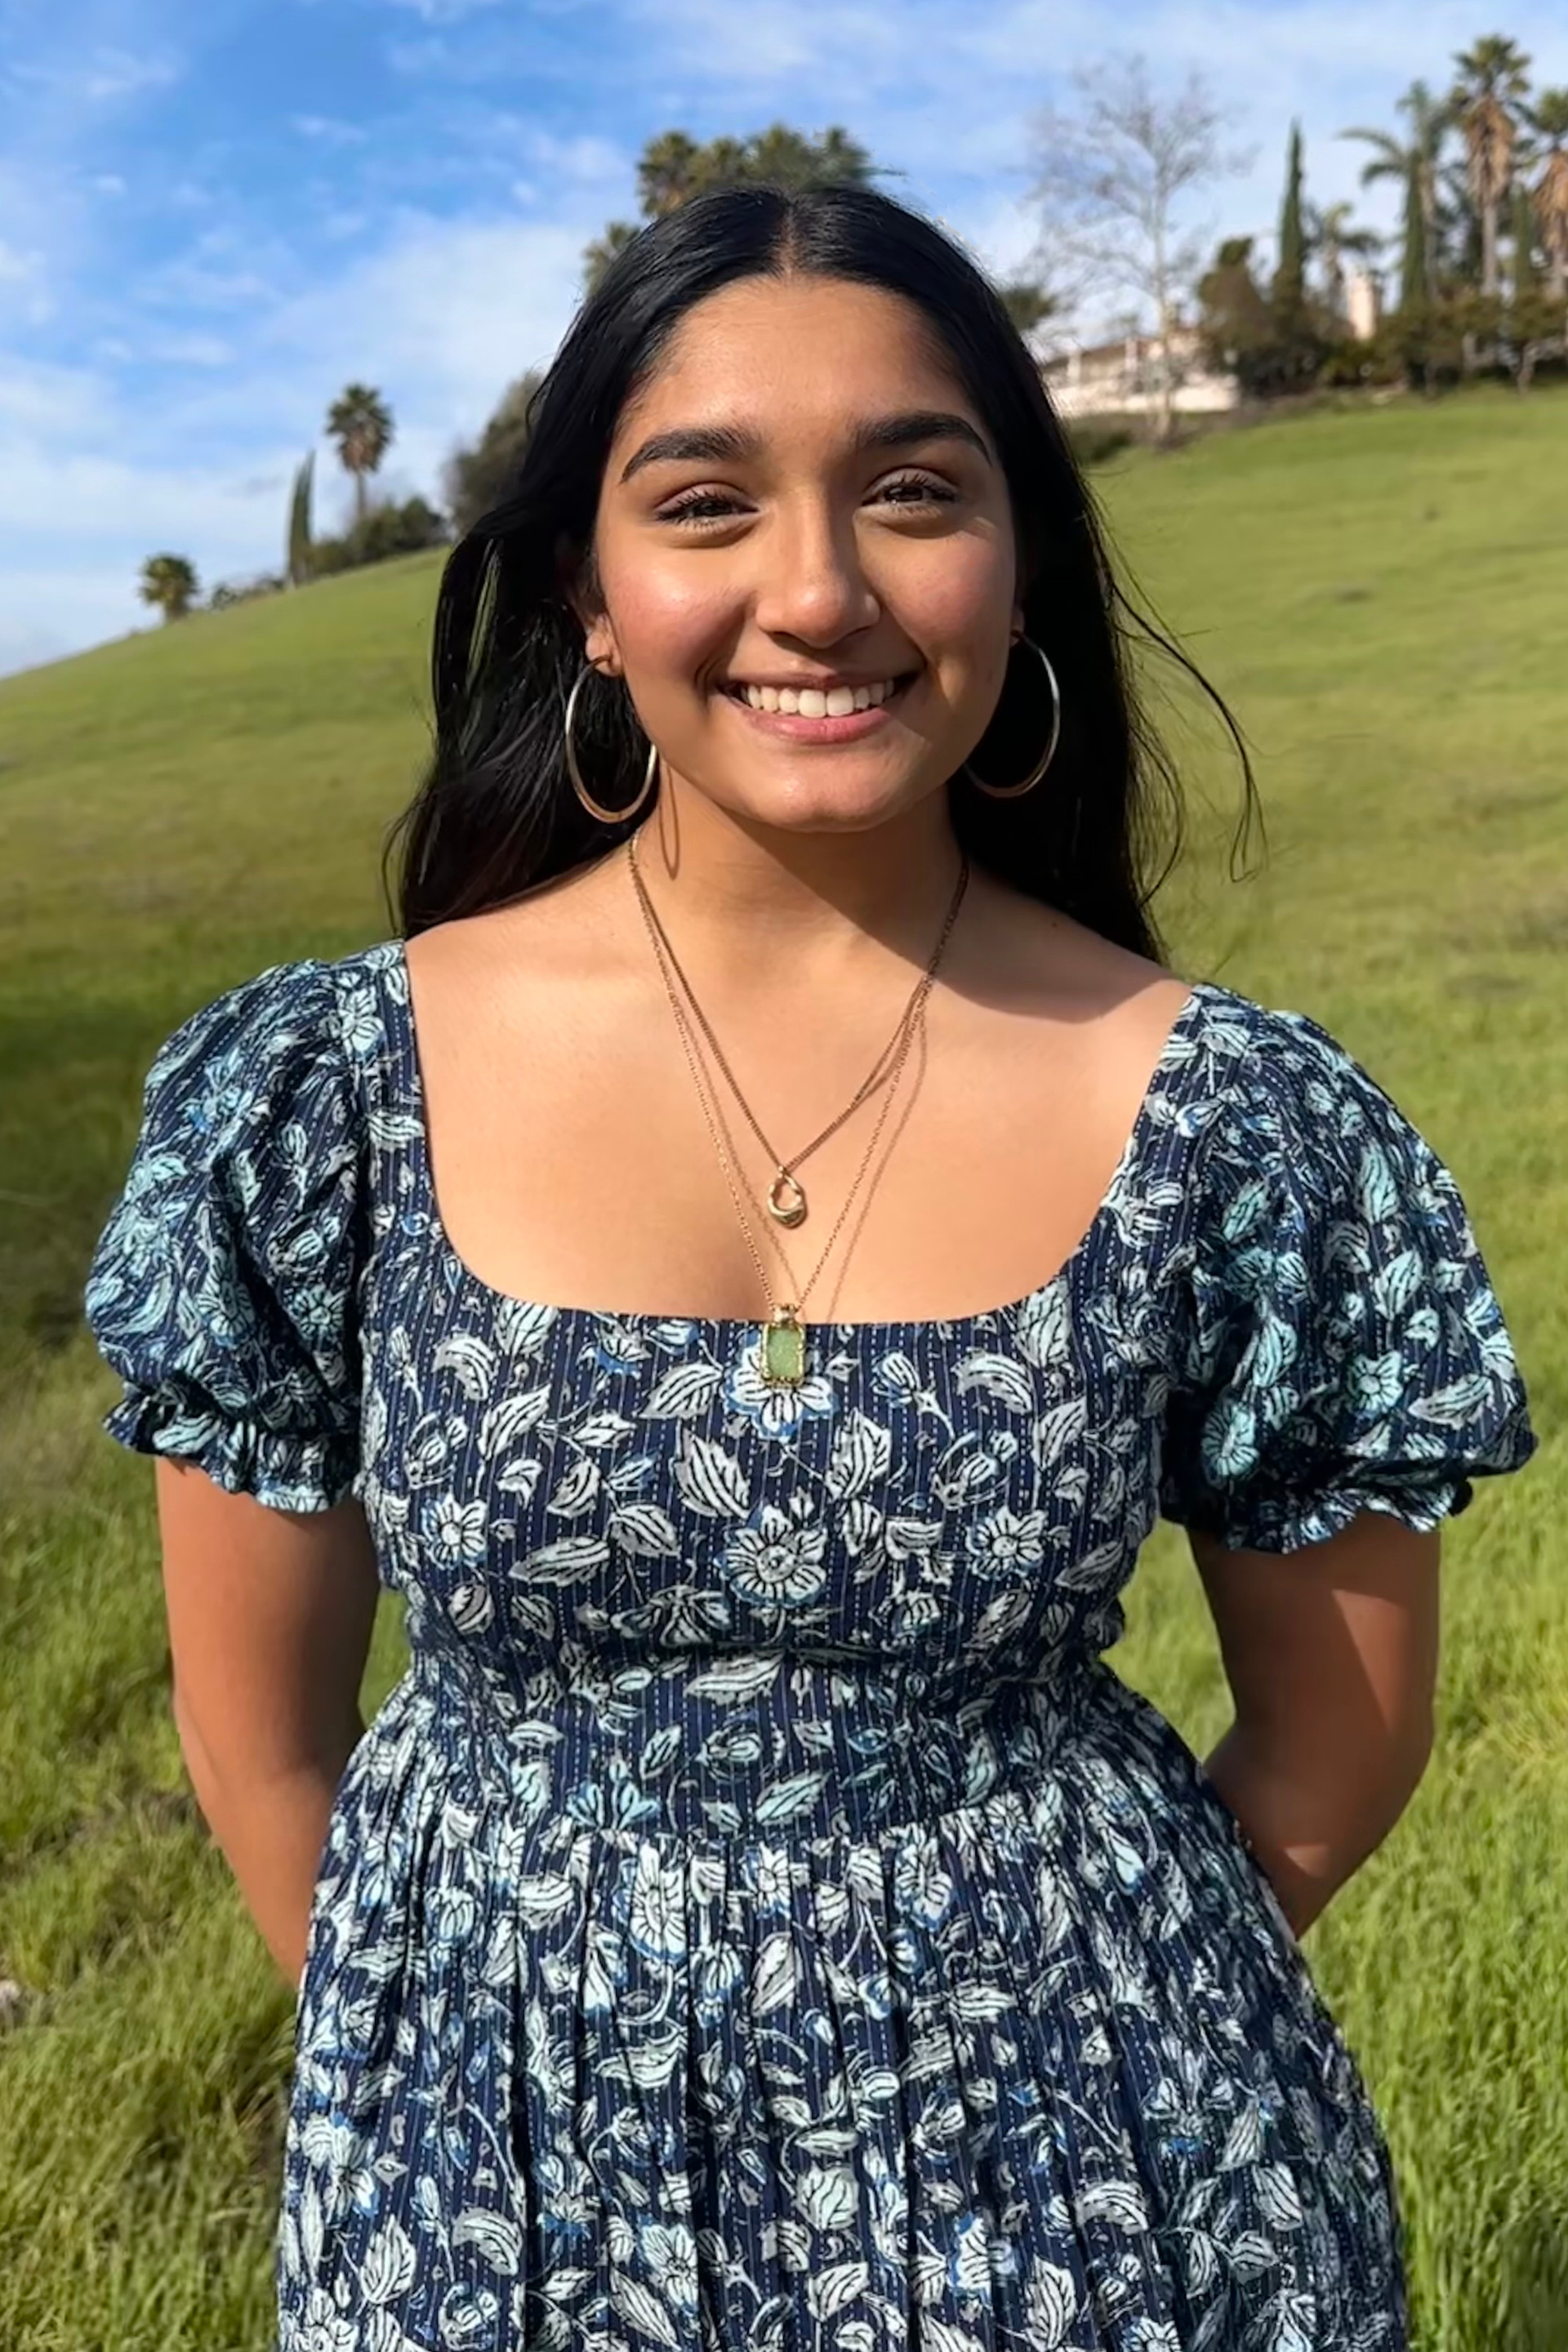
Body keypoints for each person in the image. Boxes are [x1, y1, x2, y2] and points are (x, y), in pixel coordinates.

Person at [82, 185, 1537, 2352]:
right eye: (707, 502)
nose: (820, 591)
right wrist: (467, 2092)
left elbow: (1338, 1736)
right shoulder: (323, 1107)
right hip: (500, 2219)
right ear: (590, 586)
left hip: (1110, 2214)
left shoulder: (1238, 1125)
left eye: (913, 493)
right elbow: (257, 1743)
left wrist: (1057, 2048)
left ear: (1017, 557)